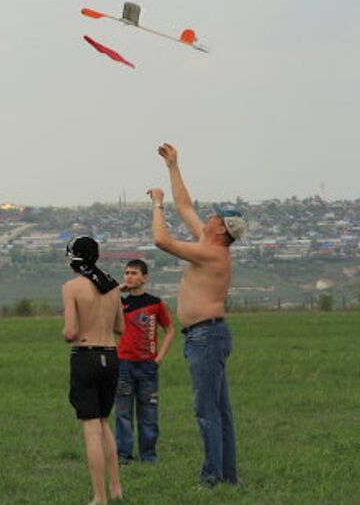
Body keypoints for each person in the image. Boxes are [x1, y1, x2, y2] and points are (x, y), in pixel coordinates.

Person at [147, 142, 245, 486]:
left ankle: (212, 478)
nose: (209, 217)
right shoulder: (208, 242)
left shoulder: (212, 254)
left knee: (208, 413)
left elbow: (161, 240)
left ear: (222, 230)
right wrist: (173, 166)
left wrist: (157, 203)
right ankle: (228, 478)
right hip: (207, 336)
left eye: (215, 217)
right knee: (220, 412)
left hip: (206, 336)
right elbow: (185, 205)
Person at [62, 236, 124, 504]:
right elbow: (120, 328)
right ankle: (116, 489)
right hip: (111, 357)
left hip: (85, 357)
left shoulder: (72, 287)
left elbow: (71, 331)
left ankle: (99, 497)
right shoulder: (112, 288)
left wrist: (67, 333)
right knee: (103, 422)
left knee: (90, 428)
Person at [115, 259, 175, 464]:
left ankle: (148, 456)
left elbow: (169, 331)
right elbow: (101, 303)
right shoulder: (120, 303)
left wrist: (158, 359)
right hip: (123, 364)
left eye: (133, 273)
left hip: (148, 366)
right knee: (123, 413)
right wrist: (117, 290)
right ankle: (124, 456)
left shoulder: (156, 303)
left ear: (145, 277)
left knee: (148, 413)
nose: (129, 276)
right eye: (126, 273)